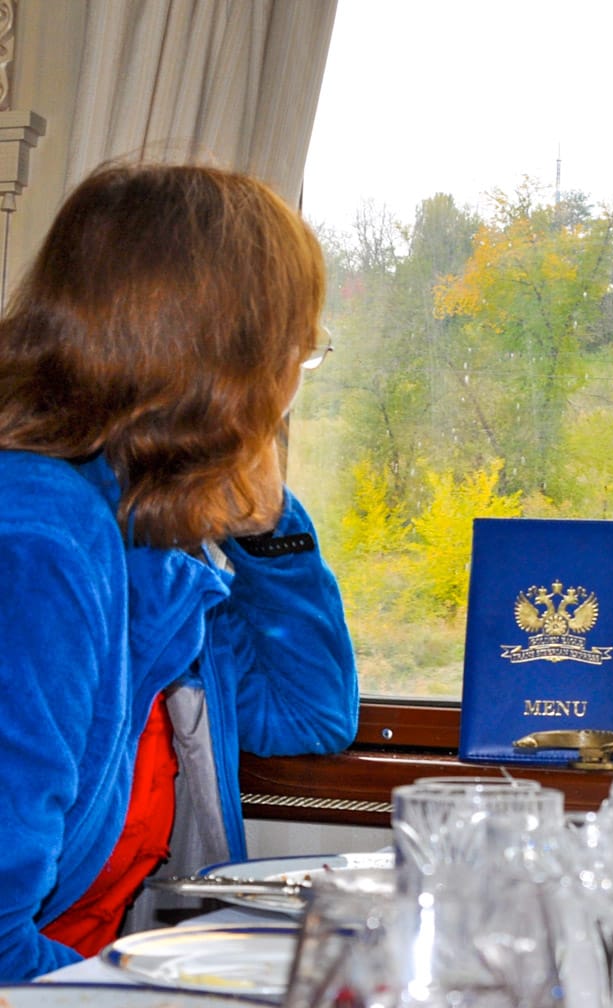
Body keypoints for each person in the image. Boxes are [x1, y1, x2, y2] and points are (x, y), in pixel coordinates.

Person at [0, 162, 359, 981]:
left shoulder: (158, 533)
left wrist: (270, 528)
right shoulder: (37, 541)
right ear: (226, 366)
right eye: (295, 352)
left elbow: (308, 717)